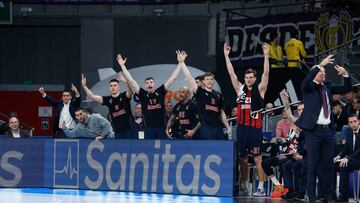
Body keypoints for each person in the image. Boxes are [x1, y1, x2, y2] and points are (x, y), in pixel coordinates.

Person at [295, 55, 352, 203]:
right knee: (312, 165)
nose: (323, 74)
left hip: (328, 131)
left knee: (328, 165)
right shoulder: (308, 87)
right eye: (321, 72)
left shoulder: (328, 86)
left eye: (324, 72)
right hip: (313, 131)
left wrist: (345, 75)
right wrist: (319, 64)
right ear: (315, 73)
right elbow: (308, 79)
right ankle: (312, 198)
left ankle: (327, 197)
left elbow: (347, 88)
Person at [223, 42, 270, 196]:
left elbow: (266, 74)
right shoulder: (240, 89)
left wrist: (266, 55)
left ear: (255, 78)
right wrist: (226, 56)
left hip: (255, 129)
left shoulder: (260, 89)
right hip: (242, 128)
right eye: (247, 77)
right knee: (242, 159)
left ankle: (261, 187)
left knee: (257, 159)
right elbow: (231, 74)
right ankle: (244, 186)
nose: (249, 79)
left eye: (251, 77)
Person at [116, 53, 181, 139]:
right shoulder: (142, 94)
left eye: (151, 82)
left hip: (161, 128)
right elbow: (132, 81)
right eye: (147, 83)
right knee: (148, 151)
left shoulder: (160, 91)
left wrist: (180, 63)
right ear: (145, 85)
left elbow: (173, 78)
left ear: (154, 84)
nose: (149, 84)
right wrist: (122, 66)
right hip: (148, 129)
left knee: (162, 150)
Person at [179, 51, 231, 140]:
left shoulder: (218, 95)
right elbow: (190, 79)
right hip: (206, 128)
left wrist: (228, 126)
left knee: (220, 152)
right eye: (207, 79)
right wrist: (182, 63)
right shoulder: (200, 92)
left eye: (211, 79)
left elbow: (221, 112)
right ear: (203, 81)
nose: (210, 81)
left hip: (218, 128)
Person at [81, 73, 134, 139]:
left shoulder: (124, 96)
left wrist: (127, 82)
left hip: (129, 130)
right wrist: (84, 86)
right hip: (117, 131)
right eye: (111, 86)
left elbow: (130, 93)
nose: (113, 87)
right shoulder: (107, 99)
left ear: (118, 87)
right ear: (109, 88)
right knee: (120, 149)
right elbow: (92, 97)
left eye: (115, 85)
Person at [333, 115, 360, 202]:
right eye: (351, 122)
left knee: (344, 165)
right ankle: (332, 194)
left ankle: (343, 196)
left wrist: (348, 158)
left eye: (355, 121)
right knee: (333, 165)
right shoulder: (349, 133)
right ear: (348, 124)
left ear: (359, 121)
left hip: (358, 159)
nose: (353, 124)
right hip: (352, 159)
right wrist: (339, 156)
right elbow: (346, 148)